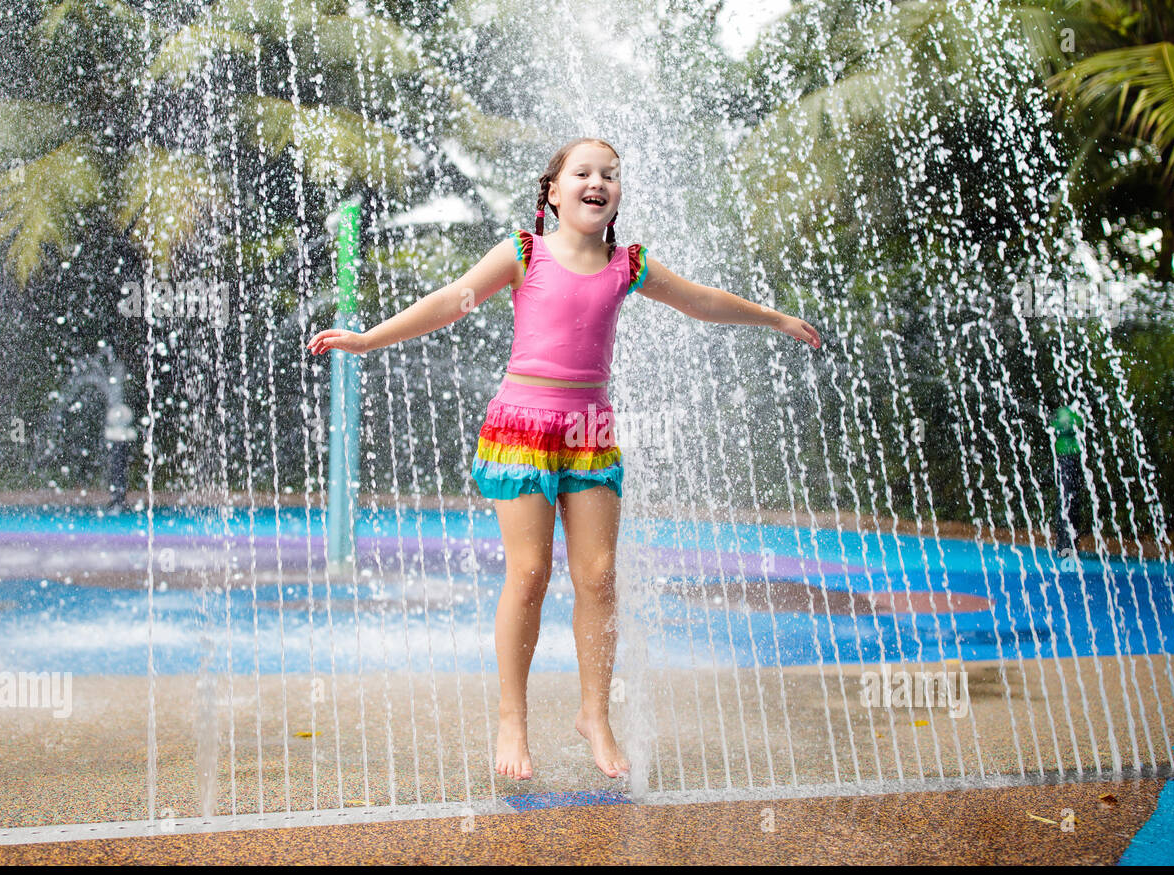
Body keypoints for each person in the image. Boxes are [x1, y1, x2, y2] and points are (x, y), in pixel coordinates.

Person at [308, 138, 820, 780]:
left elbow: (701, 301)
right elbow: (452, 300)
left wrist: (775, 319)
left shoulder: (627, 265)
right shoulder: (524, 253)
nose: (597, 182)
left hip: (589, 430)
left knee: (599, 576)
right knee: (529, 573)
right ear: (553, 190)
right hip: (522, 427)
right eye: (582, 173)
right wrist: (369, 339)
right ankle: (512, 720)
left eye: (610, 175)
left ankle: (595, 716)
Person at [1050, 403, 1085, 555]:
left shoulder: (1075, 412)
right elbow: (1054, 428)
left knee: (1070, 500)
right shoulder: (1060, 412)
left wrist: (1063, 424)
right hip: (1063, 458)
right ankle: (1064, 544)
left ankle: (1069, 544)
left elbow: (1078, 424)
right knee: (1065, 500)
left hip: (1072, 457)